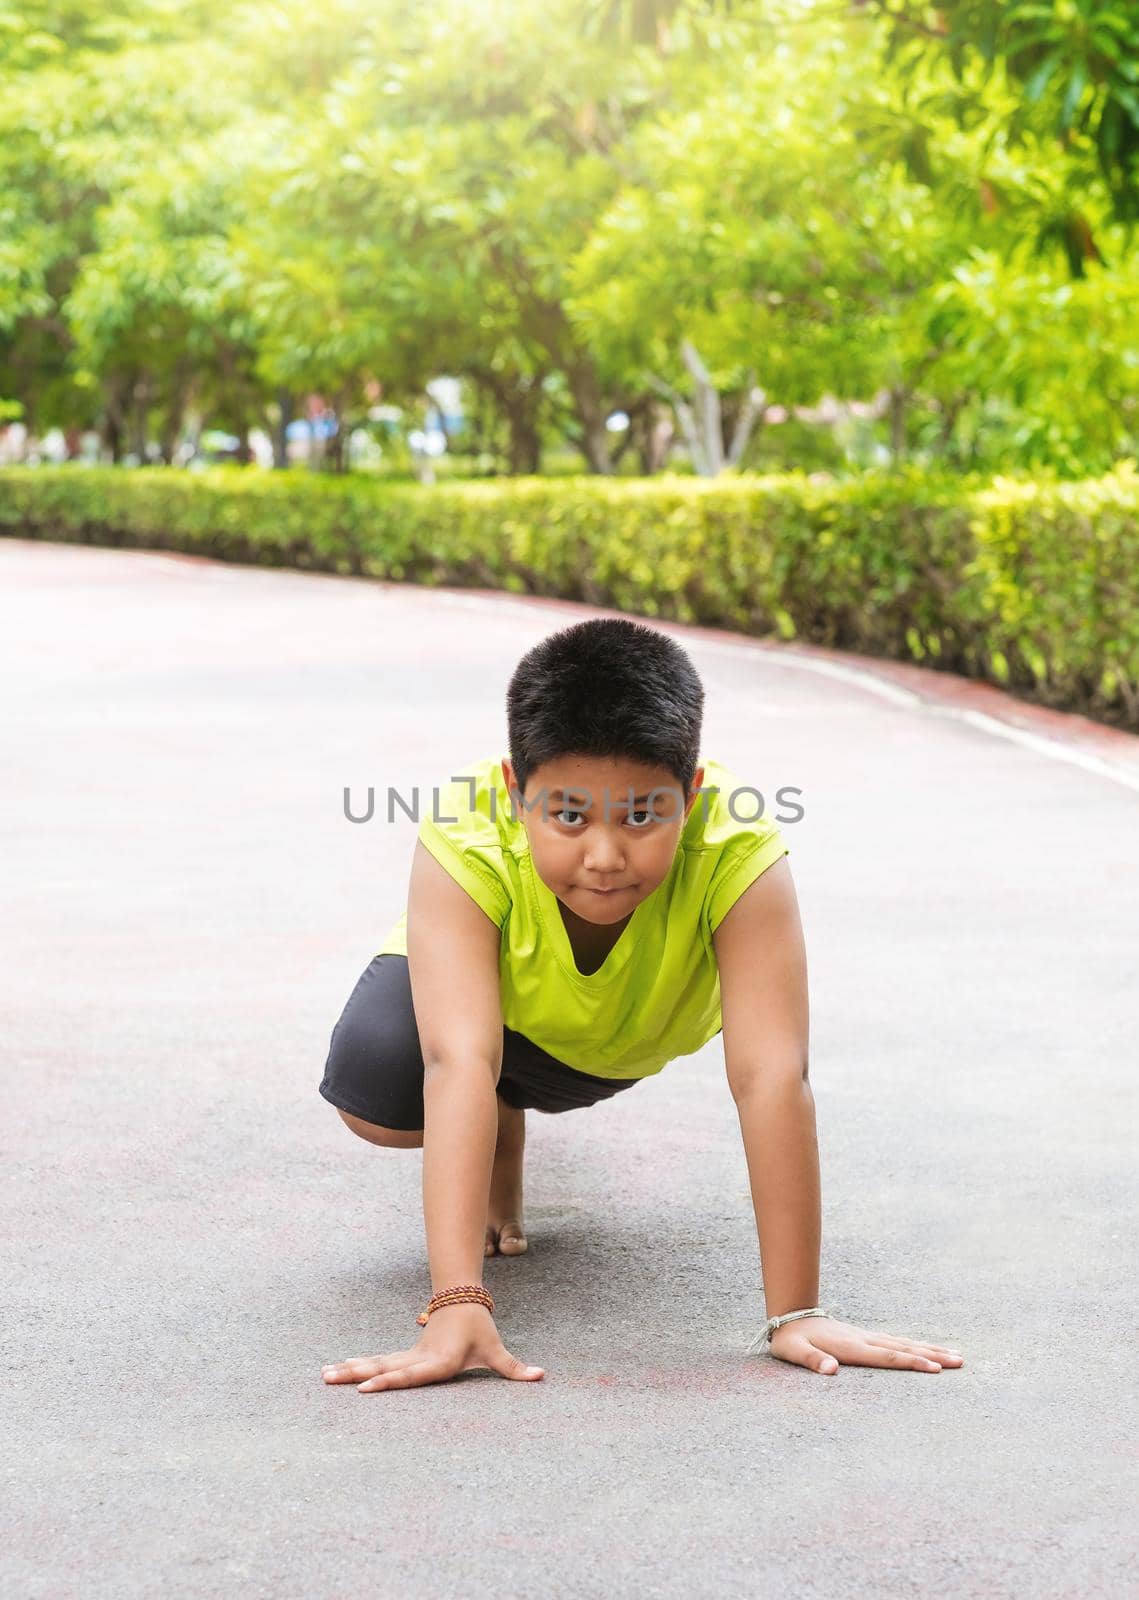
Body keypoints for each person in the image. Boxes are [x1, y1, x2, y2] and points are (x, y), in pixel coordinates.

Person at [318, 618, 964, 1391]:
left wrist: (796, 1313)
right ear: (514, 791)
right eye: (566, 816)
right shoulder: (465, 827)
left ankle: (506, 1111)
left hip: (616, 1039)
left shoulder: (736, 847)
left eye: (640, 816)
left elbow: (771, 1074)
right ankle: (497, 1130)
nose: (603, 856)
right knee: (379, 1085)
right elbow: (457, 1057)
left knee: (499, 1065)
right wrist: (458, 1300)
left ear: (688, 795)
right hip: (482, 1019)